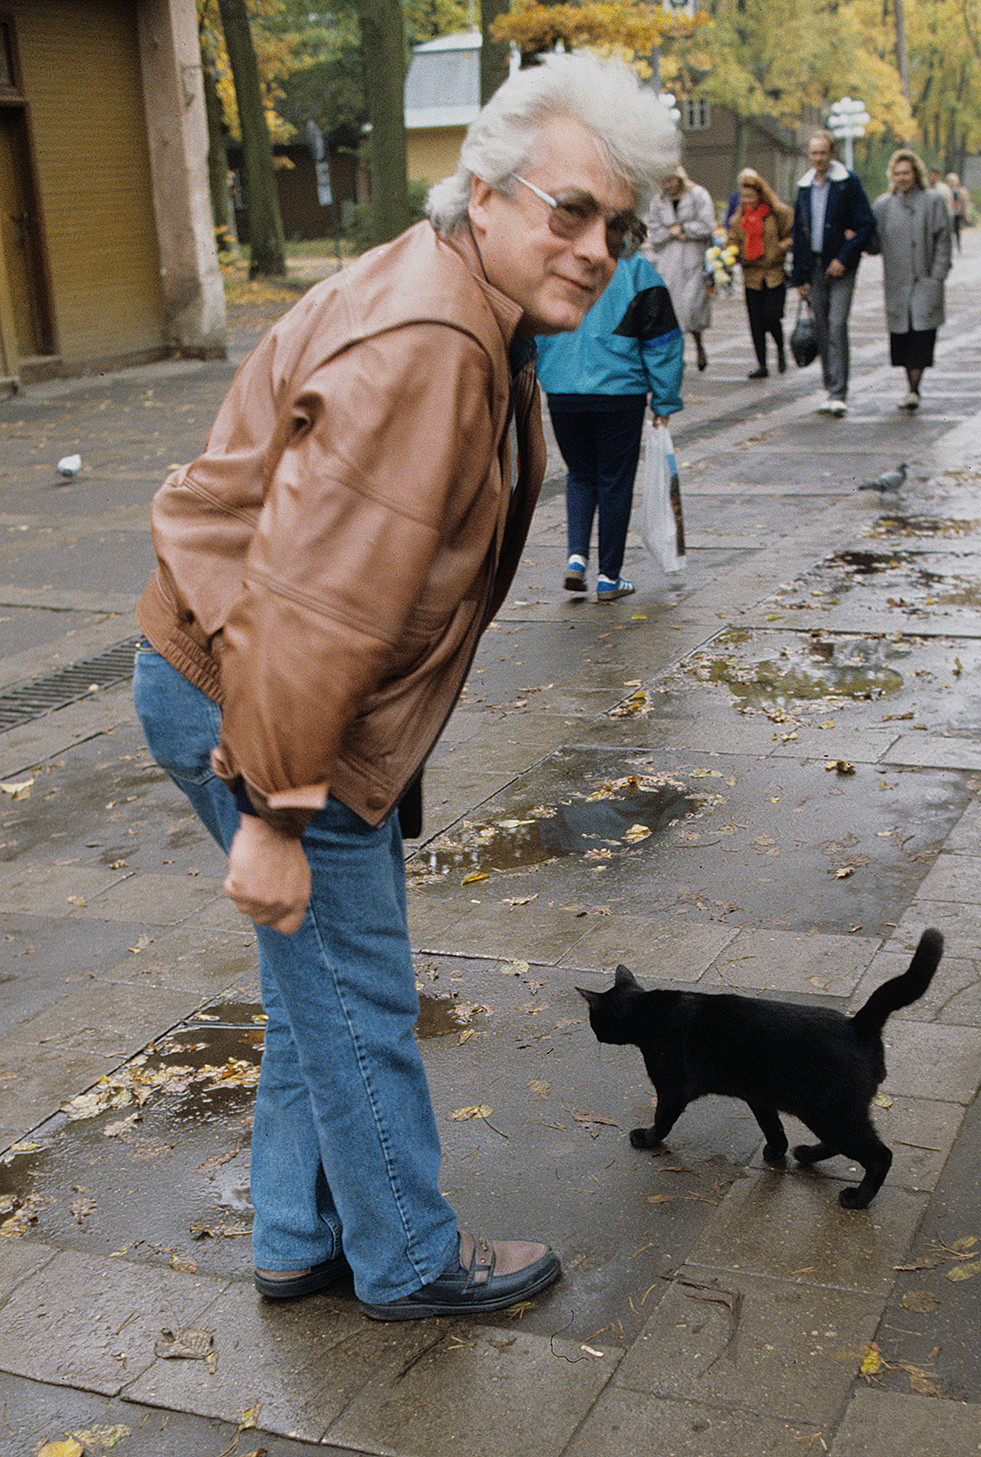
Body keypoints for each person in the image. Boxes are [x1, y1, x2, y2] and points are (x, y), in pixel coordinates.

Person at [131, 51, 679, 1323]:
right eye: (571, 210)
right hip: (255, 698)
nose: (598, 246)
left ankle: (295, 1232)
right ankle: (408, 1255)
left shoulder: (458, 293)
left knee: (307, 980)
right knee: (356, 985)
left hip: (229, 675)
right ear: (485, 192)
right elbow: (320, 600)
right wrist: (274, 811)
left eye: (620, 222)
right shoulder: (436, 338)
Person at [535, 253, 683, 602]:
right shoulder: (635, 269)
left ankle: (576, 556)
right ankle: (608, 577)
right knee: (615, 481)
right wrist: (664, 398)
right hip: (620, 390)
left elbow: (534, 324)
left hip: (563, 387)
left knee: (580, 474)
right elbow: (662, 338)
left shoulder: (559, 262)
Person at [789, 130, 875, 415]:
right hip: (813, 266)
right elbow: (799, 234)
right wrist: (798, 278)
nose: (818, 159)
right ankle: (830, 387)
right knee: (823, 327)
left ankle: (840, 390)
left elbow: (866, 224)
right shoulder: (804, 187)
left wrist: (844, 256)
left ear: (832, 153)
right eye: (814, 153)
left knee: (837, 323)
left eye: (823, 153)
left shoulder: (847, 184)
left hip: (840, 265)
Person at [872, 148, 952, 411]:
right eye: (897, 173)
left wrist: (938, 274)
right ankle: (910, 386)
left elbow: (943, 240)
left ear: (916, 173)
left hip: (924, 280)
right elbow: (874, 242)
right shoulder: (883, 205)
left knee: (921, 336)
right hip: (897, 282)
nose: (902, 177)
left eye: (906, 172)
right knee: (903, 338)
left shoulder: (933, 201)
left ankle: (914, 389)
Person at [727, 168, 794, 378]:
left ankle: (781, 350)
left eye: (750, 196)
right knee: (756, 321)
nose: (747, 200)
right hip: (751, 277)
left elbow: (791, 236)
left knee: (772, 316)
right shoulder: (738, 220)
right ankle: (762, 364)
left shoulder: (777, 214)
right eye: (743, 196)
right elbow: (732, 243)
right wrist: (732, 254)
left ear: (760, 195)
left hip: (774, 274)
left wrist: (779, 249)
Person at [648, 167, 716, 371]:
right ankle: (678, 354)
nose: (668, 186)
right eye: (664, 182)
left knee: (692, 306)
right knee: (671, 310)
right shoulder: (658, 201)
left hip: (692, 258)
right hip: (669, 261)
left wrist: (686, 229)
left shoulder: (698, 195)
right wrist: (673, 232)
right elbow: (653, 231)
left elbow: (707, 225)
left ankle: (699, 345)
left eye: (672, 181)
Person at [945, 172, 971, 253]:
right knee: (948, 230)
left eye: (954, 181)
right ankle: (949, 246)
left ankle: (958, 246)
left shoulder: (960, 191)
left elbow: (965, 203)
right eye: (950, 181)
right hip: (948, 213)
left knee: (957, 230)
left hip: (957, 212)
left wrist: (966, 214)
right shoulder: (945, 190)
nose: (952, 183)